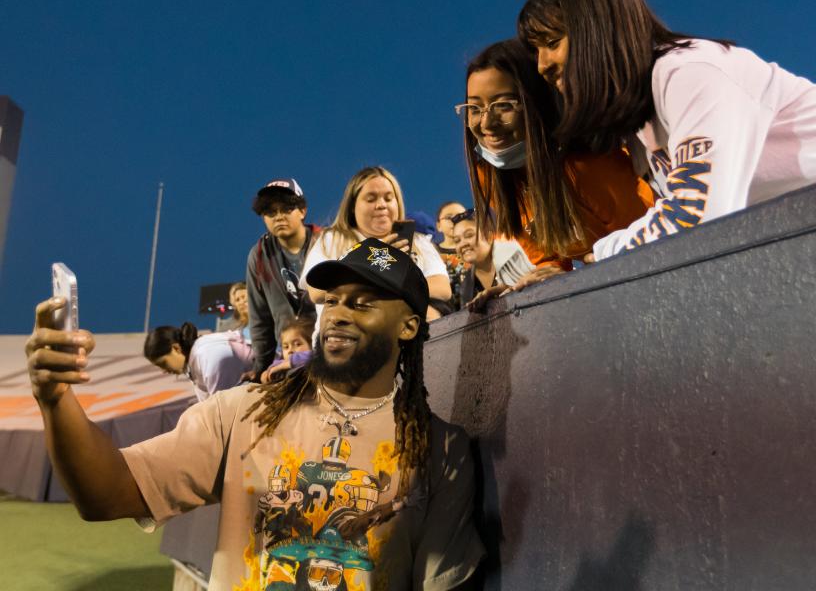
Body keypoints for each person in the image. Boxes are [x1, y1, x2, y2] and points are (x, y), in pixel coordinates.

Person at [25, 238, 484, 590]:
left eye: (362, 303)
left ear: (408, 325)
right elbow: (104, 494)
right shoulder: (246, 411)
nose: (338, 315)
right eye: (332, 301)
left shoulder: (440, 449)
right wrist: (56, 397)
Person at [517, 0, 816, 262]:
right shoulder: (642, 121)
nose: (543, 65)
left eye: (552, 41)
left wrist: (599, 255)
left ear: (598, 30)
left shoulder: (688, 72)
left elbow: (695, 223)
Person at [457, 39, 656, 303]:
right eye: (475, 108)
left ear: (537, 102)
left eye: (504, 105)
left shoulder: (587, 166)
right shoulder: (491, 176)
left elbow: (652, 240)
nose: (486, 123)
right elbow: (548, 259)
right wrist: (528, 282)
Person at [301, 166, 451, 322]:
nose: (381, 205)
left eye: (388, 198)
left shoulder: (418, 242)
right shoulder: (331, 239)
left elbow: (442, 288)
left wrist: (376, 287)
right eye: (371, 199)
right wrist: (372, 258)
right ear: (352, 206)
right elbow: (317, 292)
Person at [247, 178, 322, 381]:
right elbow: (259, 318)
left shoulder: (326, 242)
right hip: (289, 357)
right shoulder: (260, 255)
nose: (279, 217)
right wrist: (261, 367)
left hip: (328, 351)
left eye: (286, 209)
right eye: (270, 212)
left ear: (302, 211)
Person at [144, 323, 253, 401]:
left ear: (176, 348)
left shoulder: (208, 356)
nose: (163, 370)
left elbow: (227, 413)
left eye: (163, 363)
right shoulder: (195, 361)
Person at [449, 209, 534, 307]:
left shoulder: (516, 255)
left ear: (489, 236)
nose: (463, 244)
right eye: (457, 240)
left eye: (469, 235)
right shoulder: (466, 286)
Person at [434, 201, 468, 309]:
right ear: (438, 225)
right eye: (449, 217)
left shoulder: (477, 250)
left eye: (460, 216)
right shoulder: (431, 253)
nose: (454, 220)